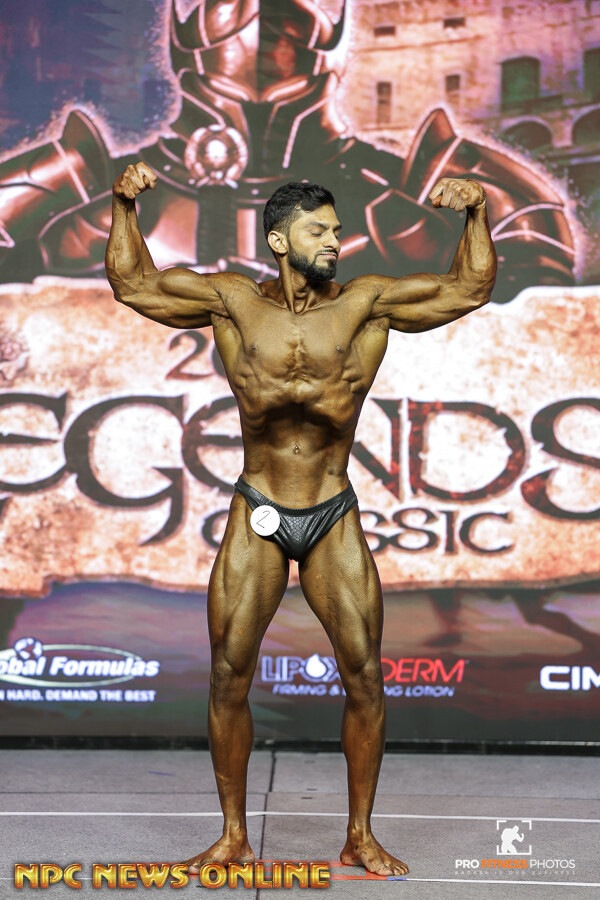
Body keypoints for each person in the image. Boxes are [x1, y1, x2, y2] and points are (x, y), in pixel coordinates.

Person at [105, 163, 497, 877]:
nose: (335, 242)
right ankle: (232, 835)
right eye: (318, 231)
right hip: (257, 503)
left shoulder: (365, 304)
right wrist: (123, 204)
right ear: (279, 240)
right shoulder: (231, 303)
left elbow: (467, 288)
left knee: (365, 677)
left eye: (337, 230)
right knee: (228, 675)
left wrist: (477, 211)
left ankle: (359, 835)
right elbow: (134, 284)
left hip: (331, 510)